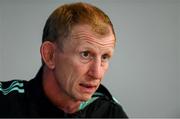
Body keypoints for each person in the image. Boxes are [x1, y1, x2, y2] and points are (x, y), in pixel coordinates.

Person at [0, 2, 128, 118]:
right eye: (85, 54)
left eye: (105, 57)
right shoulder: (5, 102)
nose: (97, 74)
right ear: (50, 55)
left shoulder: (111, 113)